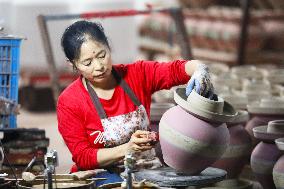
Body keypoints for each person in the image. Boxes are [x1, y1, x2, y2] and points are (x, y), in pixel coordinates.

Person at [57, 20, 214, 186]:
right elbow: (83, 157)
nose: (99, 66)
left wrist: (200, 69)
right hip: (101, 175)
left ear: (108, 47)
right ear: (72, 64)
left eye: (102, 55)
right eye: (87, 63)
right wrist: (127, 148)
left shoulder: (137, 74)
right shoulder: (69, 101)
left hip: (145, 169)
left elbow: (177, 70)